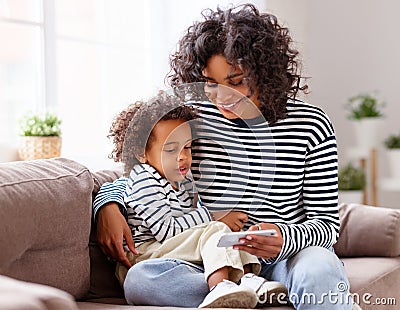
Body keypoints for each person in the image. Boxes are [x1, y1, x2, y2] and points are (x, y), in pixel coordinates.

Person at [93, 4, 356, 309]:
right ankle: (239, 291)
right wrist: (108, 205)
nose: (221, 97)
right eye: (210, 84)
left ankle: (255, 291)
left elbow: (325, 225)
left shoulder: (311, 125)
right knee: (140, 280)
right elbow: (141, 167)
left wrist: (284, 237)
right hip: (211, 262)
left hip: (286, 259)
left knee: (319, 269)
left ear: (265, 73)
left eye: (236, 82)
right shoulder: (196, 116)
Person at [108, 91, 286, 308]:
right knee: (215, 230)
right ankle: (221, 287)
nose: (183, 156)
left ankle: (247, 282)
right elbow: (167, 231)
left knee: (223, 236)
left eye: (187, 147)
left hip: (176, 255)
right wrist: (213, 217)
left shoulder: (182, 180)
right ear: (141, 153)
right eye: (171, 149)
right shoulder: (143, 178)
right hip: (146, 255)